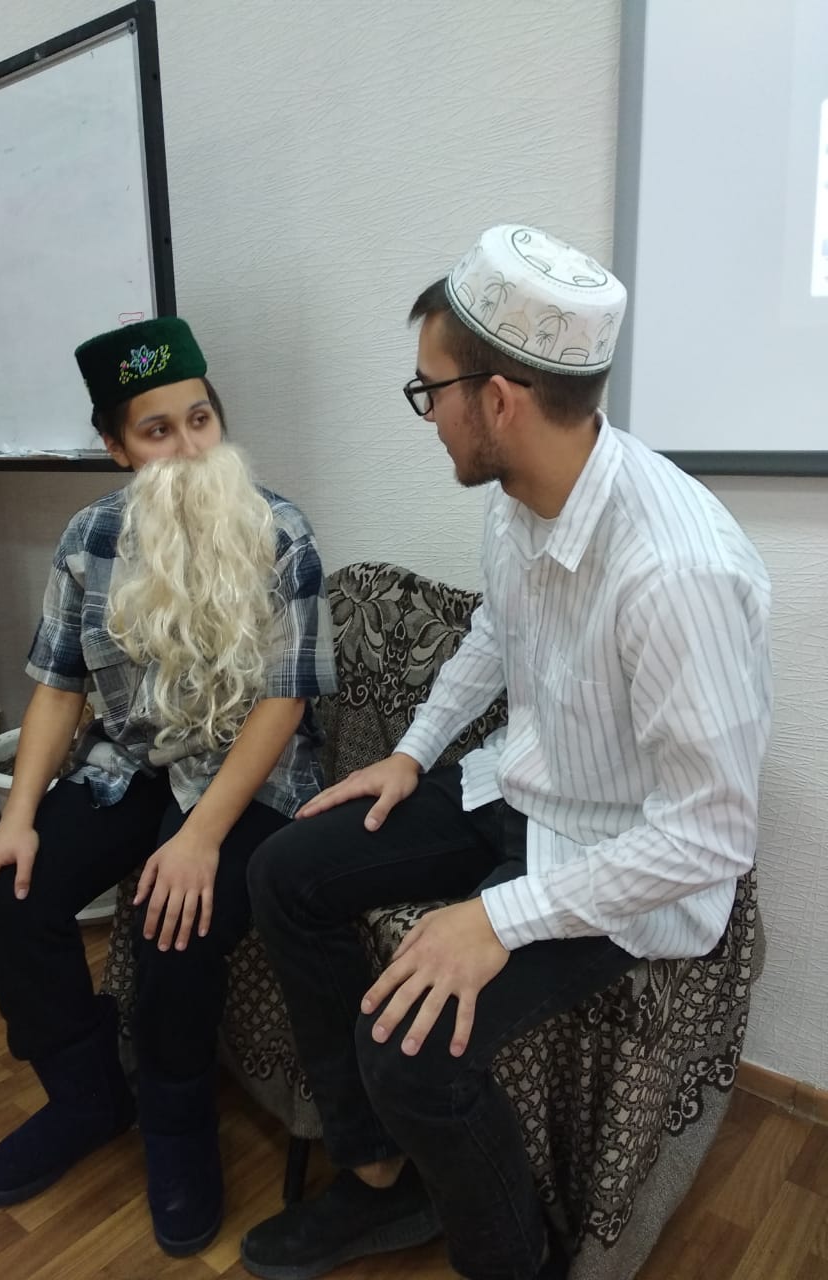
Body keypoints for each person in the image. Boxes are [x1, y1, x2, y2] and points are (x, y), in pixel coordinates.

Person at [240, 224, 772, 1280]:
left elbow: (710, 836)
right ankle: (379, 1178)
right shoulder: (519, 498)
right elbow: (496, 631)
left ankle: (515, 1259)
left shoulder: (677, 570)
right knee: (284, 871)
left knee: (408, 1054)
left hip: (624, 858)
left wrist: (497, 918)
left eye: (429, 390)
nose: (427, 414)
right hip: (519, 789)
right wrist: (411, 752)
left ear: (497, 400)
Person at [0, 316, 336, 1257]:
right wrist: (15, 820)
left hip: (251, 779)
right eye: (157, 430)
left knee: (178, 924)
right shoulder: (91, 537)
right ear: (117, 445)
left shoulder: (282, 531)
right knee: (6, 898)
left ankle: (176, 1123)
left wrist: (200, 838)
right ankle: (88, 1096)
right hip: (131, 763)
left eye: (200, 419)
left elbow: (283, 703)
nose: (189, 446)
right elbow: (58, 686)